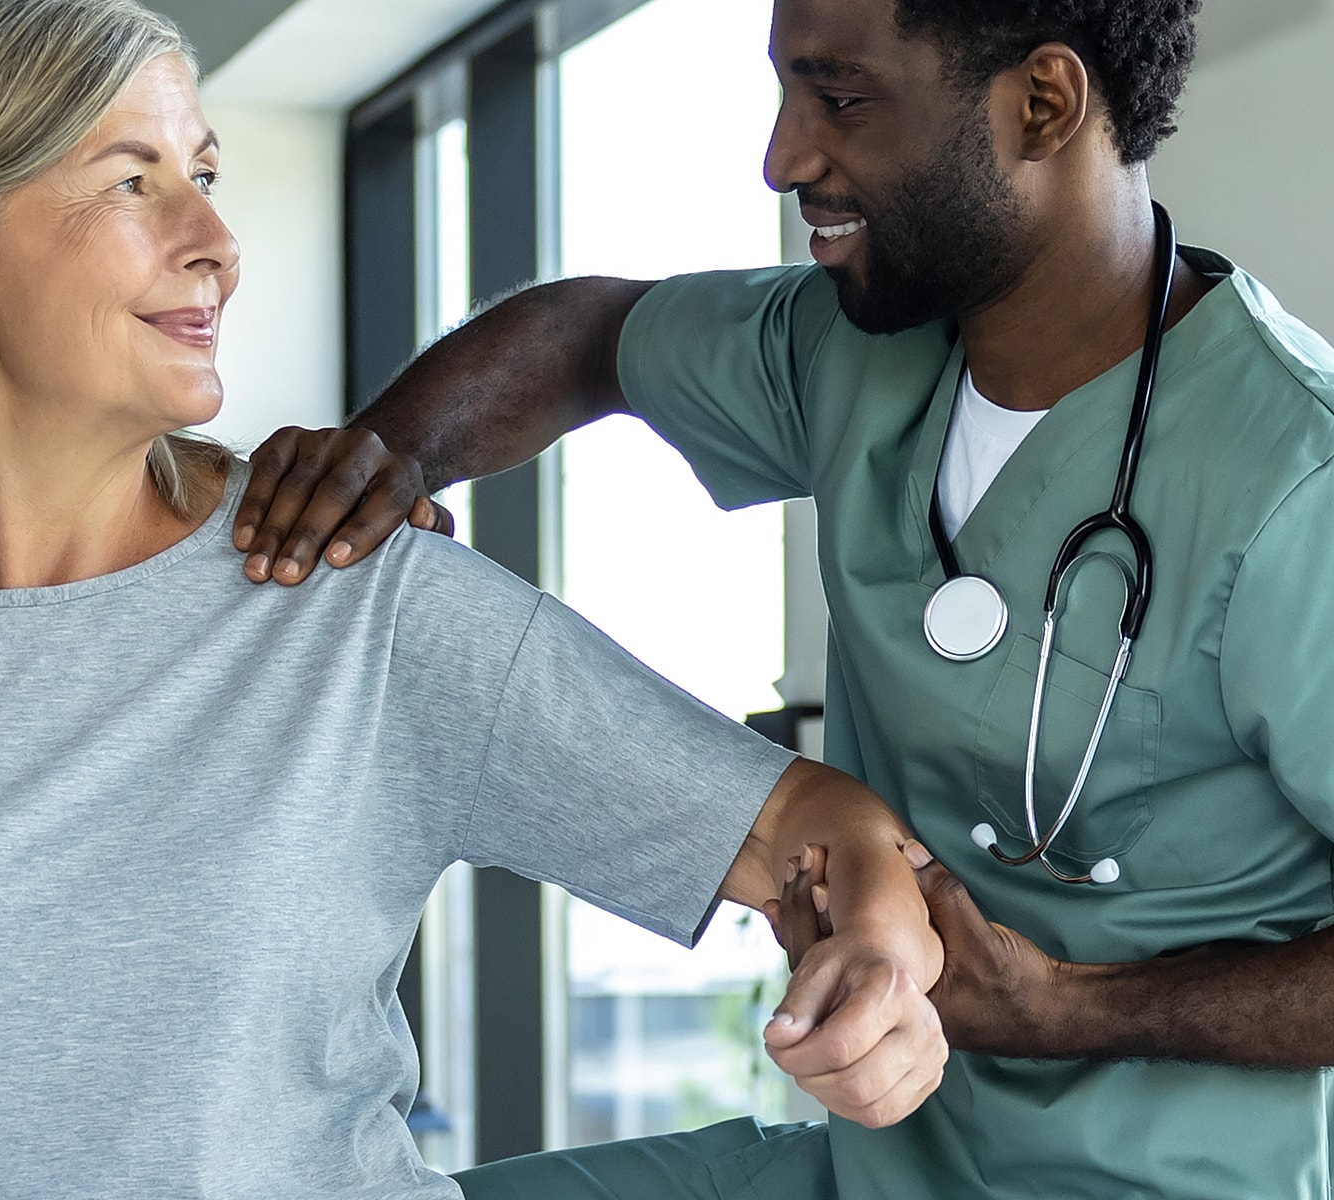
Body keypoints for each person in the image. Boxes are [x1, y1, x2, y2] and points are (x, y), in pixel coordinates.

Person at [0, 1, 952, 1197]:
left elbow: (806, 831)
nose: (214, 238)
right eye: (134, 179)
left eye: (205, 173)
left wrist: (882, 941)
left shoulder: (342, 600)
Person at [232, 0, 1334, 1196]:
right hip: (874, 1168)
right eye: (784, 95)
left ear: (1043, 103)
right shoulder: (850, 349)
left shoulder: (1292, 478)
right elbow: (589, 335)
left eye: (841, 99)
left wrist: (1068, 1007)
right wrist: (384, 460)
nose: (784, 156)